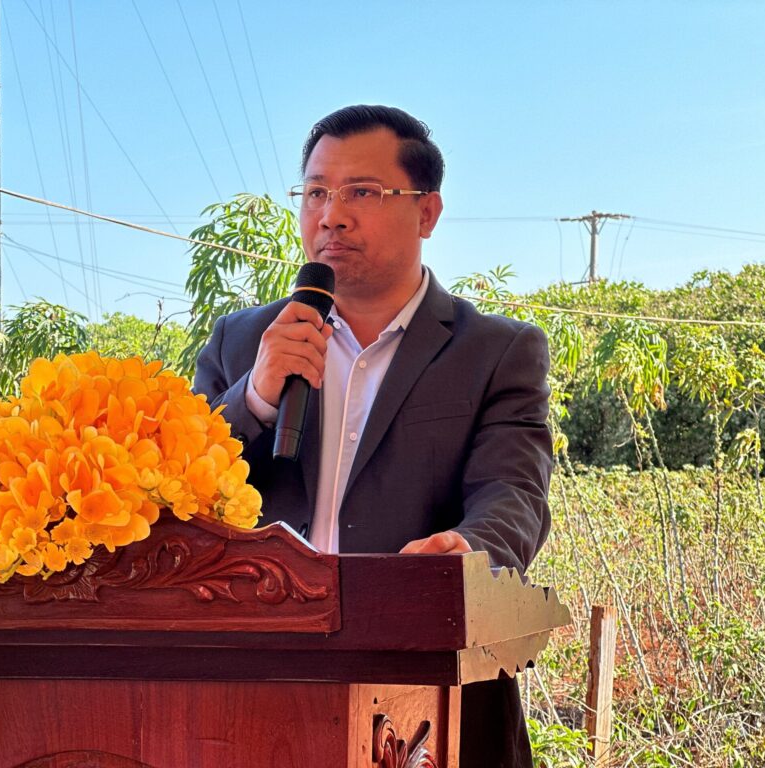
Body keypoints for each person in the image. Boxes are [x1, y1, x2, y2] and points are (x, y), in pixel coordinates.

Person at [193, 104, 552, 767]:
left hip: (425, 704)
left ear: (427, 212)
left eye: (361, 192)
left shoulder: (497, 352)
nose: (331, 215)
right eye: (316, 193)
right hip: (251, 698)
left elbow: (515, 494)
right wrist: (255, 397)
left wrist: (470, 551)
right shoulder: (241, 341)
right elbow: (179, 492)